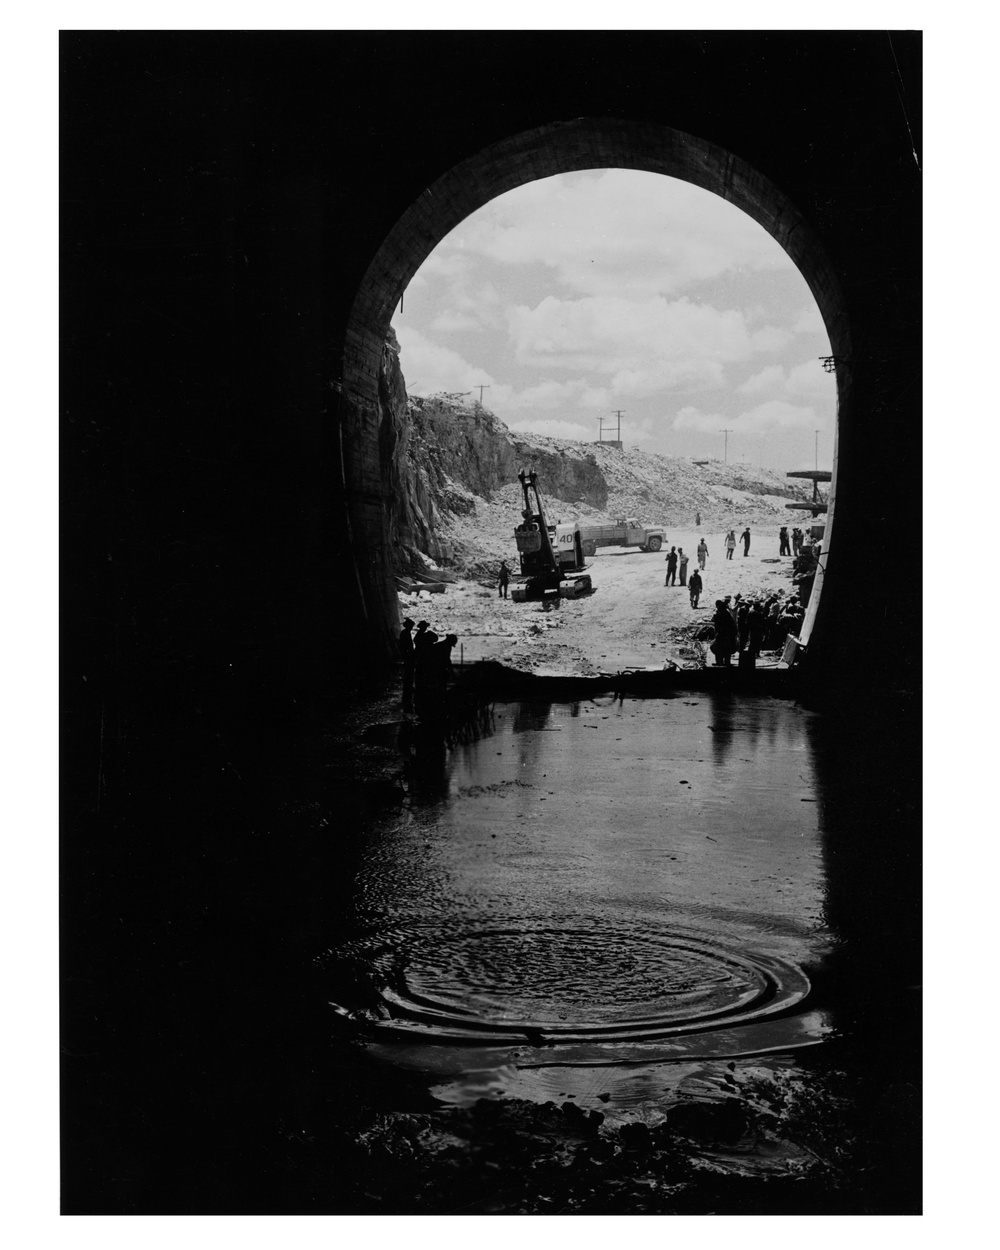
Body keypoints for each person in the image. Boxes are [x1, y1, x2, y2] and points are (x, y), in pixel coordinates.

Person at [711, 599, 738, 666]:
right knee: (727, 649)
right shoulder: (726, 613)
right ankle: (727, 662)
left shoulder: (719, 614)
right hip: (728, 635)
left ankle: (719, 662)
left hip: (722, 634)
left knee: (719, 649)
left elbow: (716, 624)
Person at [398, 617, 415, 708]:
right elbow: (406, 645)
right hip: (408, 655)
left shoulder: (405, 632)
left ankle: (408, 687)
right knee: (409, 672)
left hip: (407, 655)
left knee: (409, 672)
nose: (412, 627)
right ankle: (408, 687)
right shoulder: (405, 633)